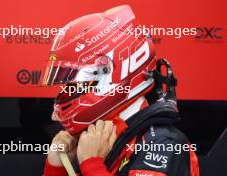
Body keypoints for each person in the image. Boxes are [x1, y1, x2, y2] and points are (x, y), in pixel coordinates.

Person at [41, 5, 199, 176]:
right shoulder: (97, 141)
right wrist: (56, 170)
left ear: (111, 72)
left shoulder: (165, 144)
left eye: (75, 83)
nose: (68, 91)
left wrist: (92, 166)